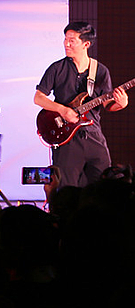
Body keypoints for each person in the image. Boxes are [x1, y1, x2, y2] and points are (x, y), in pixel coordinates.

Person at [34, 21, 128, 187]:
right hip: (66, 139)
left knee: (102, 185)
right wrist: (63, 110)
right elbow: (38, 98)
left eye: (72, 40)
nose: (66, 44)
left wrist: (121, 104)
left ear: (86, 44)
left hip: (93, 135)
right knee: (66, 188)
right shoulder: (57, 68)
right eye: (65, 39)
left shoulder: (100, 71)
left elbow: (107, 105)